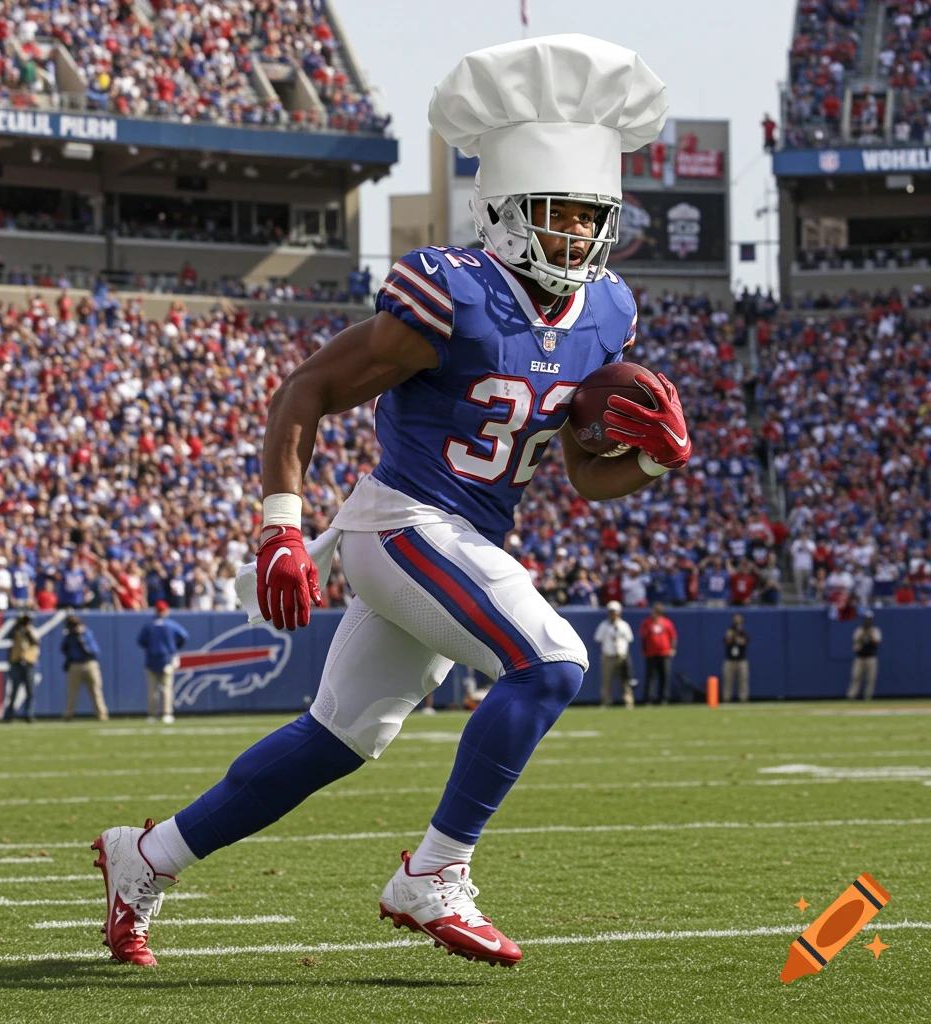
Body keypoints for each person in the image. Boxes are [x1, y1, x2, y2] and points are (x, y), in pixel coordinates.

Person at [93, 35, 685, 968]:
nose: (575, 237)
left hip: (461, 538)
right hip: (402, 520)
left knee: (338, 738)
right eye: (556, 215)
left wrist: (651, 463)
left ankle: (145, 856)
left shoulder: (608, 312)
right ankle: (434, 874)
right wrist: (280, 531)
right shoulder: (452, 293)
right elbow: (305, 394)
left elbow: (581, 472)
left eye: (589, 218)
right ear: (501, 211)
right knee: (553, 661)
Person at [137, 601, 189, 724]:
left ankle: (152, 715)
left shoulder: (149, 625)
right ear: (165, 611)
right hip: (167, 659)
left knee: (152, 690)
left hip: (151, 659)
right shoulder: (171, 625)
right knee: (166, 689)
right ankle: (167, 714)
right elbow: (184, 636)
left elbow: (141, 641)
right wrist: (175, 648)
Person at [61, 614, 109, 721]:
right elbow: (64, 649)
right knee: (72, 692)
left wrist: (81, 637)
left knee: (96, 691)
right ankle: (68, 714)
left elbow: (94, 651)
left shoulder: (87, 633)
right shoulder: (69, 636)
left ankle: (102, 714)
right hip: (75, 665)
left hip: (90, 664)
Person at [595, 601, 636, 709]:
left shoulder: (624, 625)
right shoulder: (604, 625)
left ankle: (628, 702)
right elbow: (597, 638)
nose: (613, 615)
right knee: (606, 681)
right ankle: (606, 702)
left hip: (622, 656)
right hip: (608, 656)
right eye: (611, 613)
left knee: (625, 681)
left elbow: (629, 639)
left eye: (615, 613)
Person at [3, 612, 39, 722]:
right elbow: (9, 637)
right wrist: (17, 625)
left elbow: (36, 642)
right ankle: (9, 715)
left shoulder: (32, 630)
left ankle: (29, 714)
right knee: (14, 691)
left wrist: (28, 631)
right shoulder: (16, 631)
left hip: (29, 663)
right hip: (17, 663)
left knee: (30, 691)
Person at [639, 602, 677, 704]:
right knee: (650, 677)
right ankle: (648, 698)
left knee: (664, 676)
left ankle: (663, 698)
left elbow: (673, 637)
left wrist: (673, 648)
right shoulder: (647, 622)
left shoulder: (666, 622)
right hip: (651, 653)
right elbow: (643, 637)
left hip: (664, 653)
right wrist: (643, 649)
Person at [847, 612, 881, 700]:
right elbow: (855, 642)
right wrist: (862, 635)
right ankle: (852, 696)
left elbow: (877, 641)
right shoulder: (859, 630)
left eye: (869, 619)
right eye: (866, 619)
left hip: (871, 657)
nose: (867, 621)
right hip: (860, 657)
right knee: (855, 676)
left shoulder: (874, 630)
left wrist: (869, 635)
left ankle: (868, 696)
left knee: (870, 678)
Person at [722, 614, 750, 703]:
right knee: (728, 680)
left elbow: (743, 641)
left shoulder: (743, 633)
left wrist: (735, 635)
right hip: (730, 660)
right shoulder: (729, 631)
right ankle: (726, 698)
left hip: (741, 660)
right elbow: (726, 641)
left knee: (743, 680)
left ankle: (743, 698)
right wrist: (730, 636)